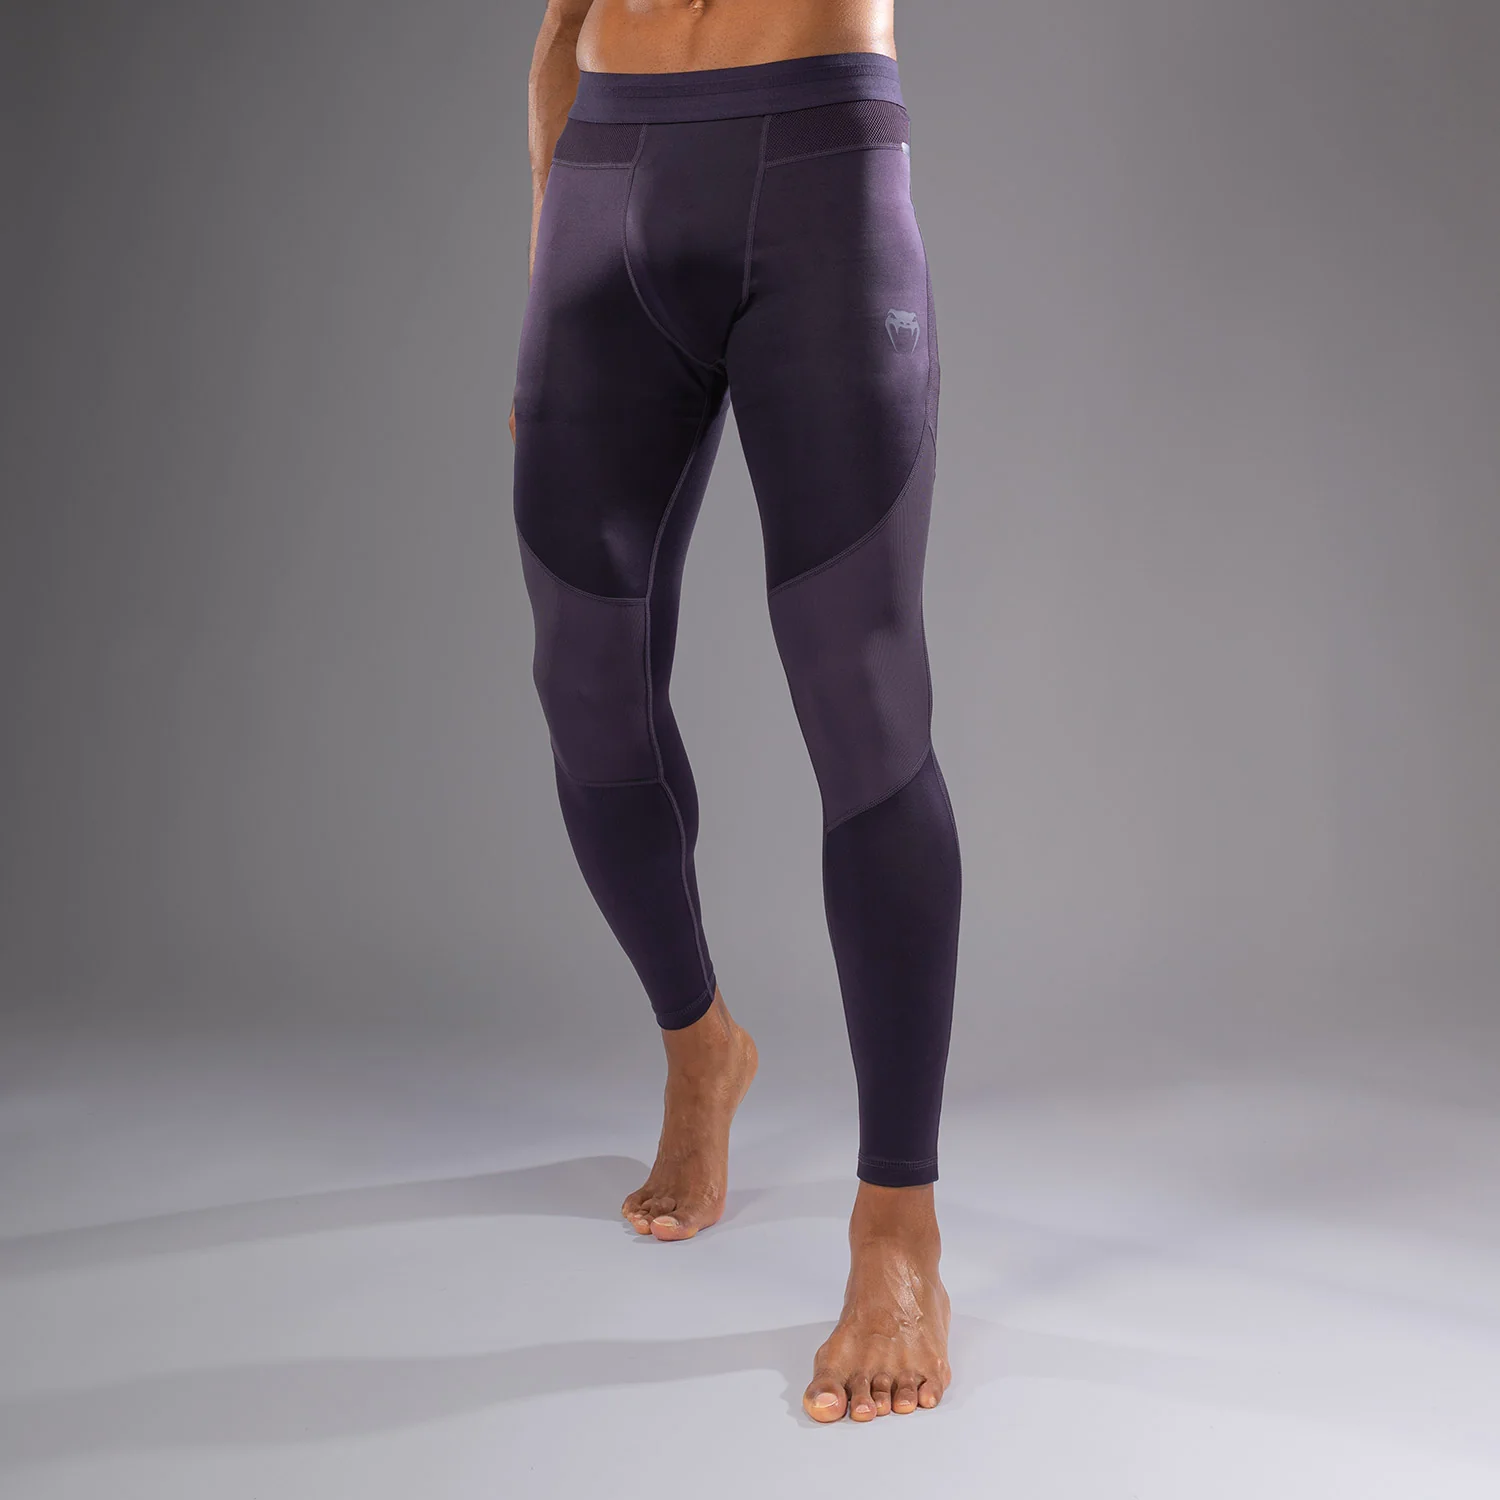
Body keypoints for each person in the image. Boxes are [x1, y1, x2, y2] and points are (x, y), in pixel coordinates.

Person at [510, 0, 960, 1424]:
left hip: (815, 167)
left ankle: (897, 1229)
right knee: (584, 682)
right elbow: (561, 23)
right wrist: (548, 247)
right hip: (604, 168)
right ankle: (701, 1045)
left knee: (861, 693)